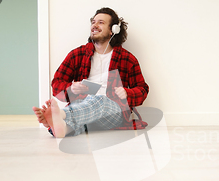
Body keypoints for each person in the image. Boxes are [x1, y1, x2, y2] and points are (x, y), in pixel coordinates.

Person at [33, 7, 149, 138]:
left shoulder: (127, 58)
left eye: (101, 22)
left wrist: (128, 93)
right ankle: (62, 128)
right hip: (82, 107)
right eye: (93, 22)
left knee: (99, 100)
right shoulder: (77, 54)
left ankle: (61, 114)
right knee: (82, 116)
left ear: (113, 30)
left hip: (113, 111)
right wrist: (71, 89)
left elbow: (143, 89)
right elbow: (56, 84)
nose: (95, 25)